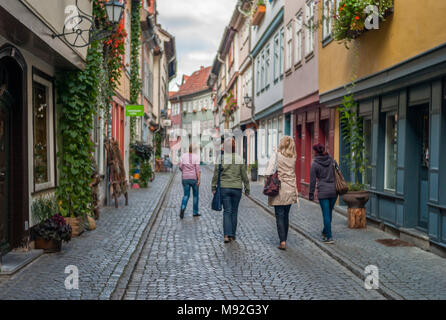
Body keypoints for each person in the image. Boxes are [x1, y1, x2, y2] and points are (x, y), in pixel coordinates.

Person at [212, 137, 250, 243]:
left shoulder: (221, 158)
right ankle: (232, 235)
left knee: (227, 211)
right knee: (234, 211)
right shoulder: (239, 158)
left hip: (224, 188)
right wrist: (247, 188)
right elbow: (244, 175)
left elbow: (216, 173)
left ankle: (226, 235)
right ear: (234, 147)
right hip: (237, 188)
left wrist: (213, 186)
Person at [265, 136, 299, 250]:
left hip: (279, 188)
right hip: (290, 188)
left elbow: (269, 171)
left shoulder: (277, 155)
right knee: (286, 215)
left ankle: (282, 241)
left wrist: (274, 154)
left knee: (279, 215)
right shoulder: (294, 157)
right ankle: (285, 239)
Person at [309, 143, 337, 244]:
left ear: (315, 152)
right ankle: (325, 232)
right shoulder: (332, 161)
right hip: (334, 191)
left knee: (326, 215)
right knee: (329, 213)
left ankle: (329, 237)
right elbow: (337, 174)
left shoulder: (315, 164)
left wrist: (311, 194)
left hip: (323, 192)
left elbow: (312, 181)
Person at [179, 144, 201, 218]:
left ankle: (182, 208)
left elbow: (180, 167)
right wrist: (199, 179)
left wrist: (184, 171)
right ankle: (195, 212)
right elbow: (198, 170)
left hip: (185, 178)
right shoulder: (197, 157)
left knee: (186, 195)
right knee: (195, 196)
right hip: (194, 179)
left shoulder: (183, 156)